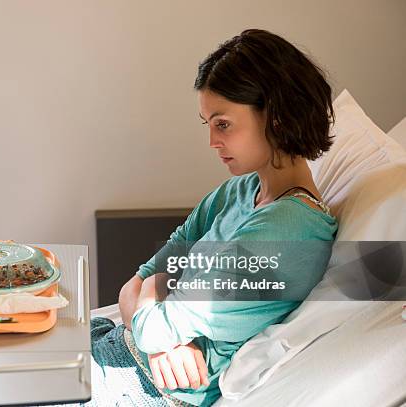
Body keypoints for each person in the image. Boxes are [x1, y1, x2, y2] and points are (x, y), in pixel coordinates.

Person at [76, 28, 337, 407]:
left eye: (224, 124)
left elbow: (151, 320)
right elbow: (136, 284)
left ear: (276, 118)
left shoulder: (292, 231)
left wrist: (154, 296)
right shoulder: (236, 192)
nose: (212, 141)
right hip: (117, 346)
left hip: (146, 389)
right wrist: (157, 305)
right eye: (209, 124)